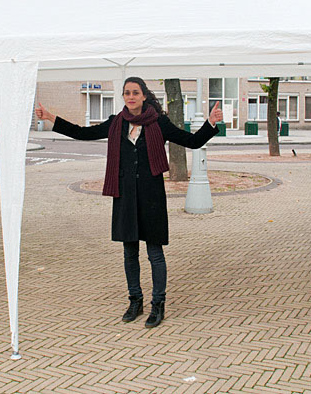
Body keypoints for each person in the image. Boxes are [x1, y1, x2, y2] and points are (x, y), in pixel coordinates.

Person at [35, 77, 223, 329]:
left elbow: (192, 141)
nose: (131, 96)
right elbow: (83, 133)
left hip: (151, 196)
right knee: (129, 251)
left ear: (144, 96)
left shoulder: (159, 122)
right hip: (124, 195)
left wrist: (210, 123)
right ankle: (135, 300)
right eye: (127, 93)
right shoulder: (116, 123)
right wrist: (50, 117)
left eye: (135, 92)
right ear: (123, 97)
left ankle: (158, 304)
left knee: (154, 253)